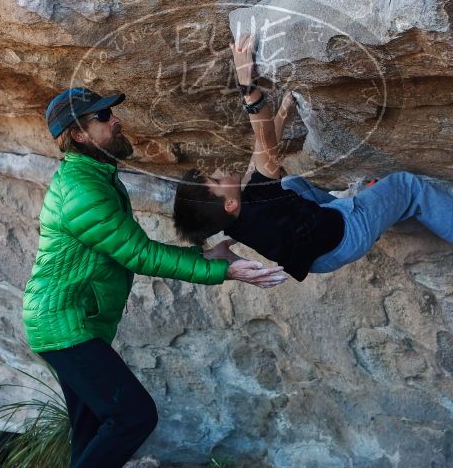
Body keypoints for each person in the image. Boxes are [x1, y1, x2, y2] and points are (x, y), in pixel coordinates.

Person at [22, 87, 287, 468]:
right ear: (78, 134)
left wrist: (204, 254)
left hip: (73, 321)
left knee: (91, 429)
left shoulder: (94, 176)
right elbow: (139, 254)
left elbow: (130, 247)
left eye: (110, 112)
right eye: (102, 117)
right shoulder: (82, 191)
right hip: (62, 324)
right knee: (134, 416)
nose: (115, 120)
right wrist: (220, 269)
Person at [173, 34, 453, 282]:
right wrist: (246, 84)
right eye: (217, 181)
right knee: (407, 185)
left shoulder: (240, 214)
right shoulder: (260, 201)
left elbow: (261, 155)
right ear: (230, 204)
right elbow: (262, 141)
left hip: (317, 253)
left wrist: (283, 113)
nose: (219, 171)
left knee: (293, 183)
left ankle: (370, 205)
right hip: (344, 236)